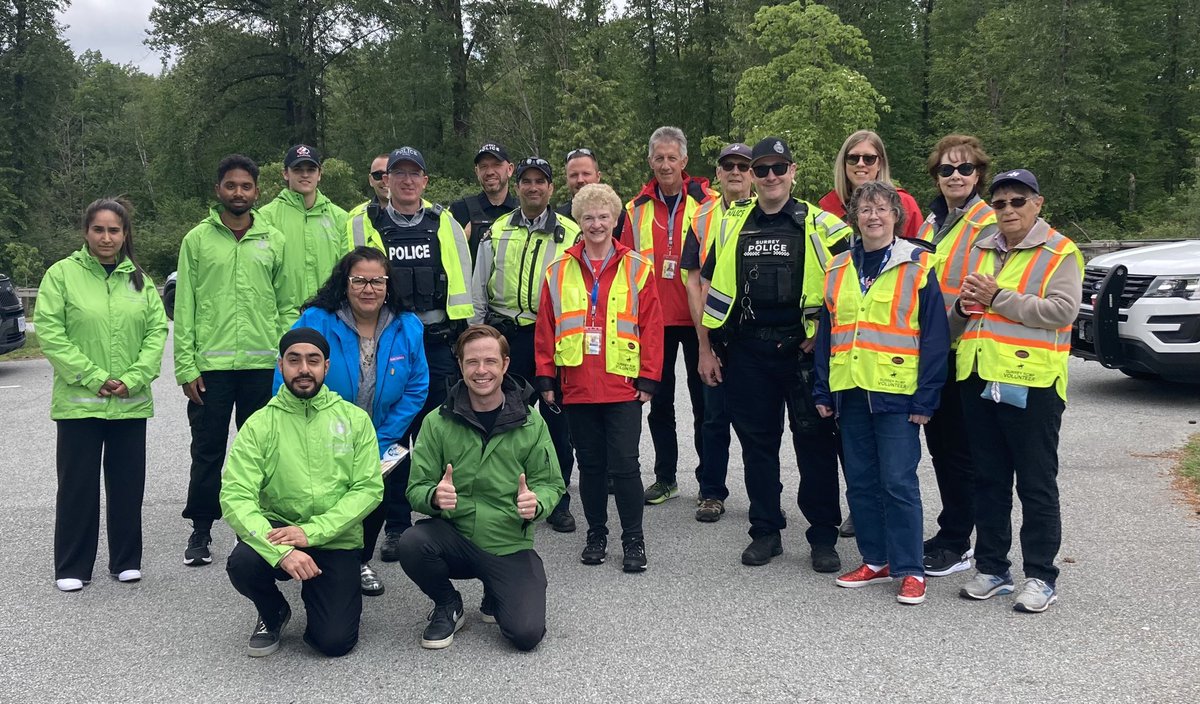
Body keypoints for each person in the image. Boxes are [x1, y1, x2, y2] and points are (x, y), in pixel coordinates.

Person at [700, 137, 849, 572]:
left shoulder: (820, 223)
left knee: (815, 446)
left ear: (793, 171)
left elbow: (851, 284)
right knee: (757, 447)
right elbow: (709, 283)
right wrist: (708, 347)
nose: (769, 177)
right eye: (760, 170)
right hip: (748, 350)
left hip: (801, 353)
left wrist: (822, 331)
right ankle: (765, 532)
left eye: (777, 168)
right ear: (750, 175)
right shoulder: (732, 223)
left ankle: (823, 537)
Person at [813, 181, 949, 606]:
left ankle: (910, 568)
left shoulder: (917, 264)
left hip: (897, 395)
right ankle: (876, 559)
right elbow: (826, 334)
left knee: (898, 482)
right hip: (850, 392)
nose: (873, 216)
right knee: (861, 482)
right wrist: (823, 388)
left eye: (881, 209)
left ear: (896, 216)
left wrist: (927, 398)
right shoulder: (837, 268)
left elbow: (934, 336)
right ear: (854, 217)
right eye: (865, 209)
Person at [955, 169, 1082, 613]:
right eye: (1000, 203)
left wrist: (997, 297)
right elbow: (969, 309)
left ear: (1037, 204)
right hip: (979, 378)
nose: (1008, 209)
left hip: (1032, 384)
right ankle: (992, 568)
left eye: (1018, 201)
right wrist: (962, 306)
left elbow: (1062, 311)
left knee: (1035, 483)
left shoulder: (1060, 251)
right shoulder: (983, 247)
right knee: (988, 479)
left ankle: (1041, 576)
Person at [398, 325, 566, 651]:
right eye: (472, 362)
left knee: (526, 634)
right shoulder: (437, 421)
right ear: (460, 365)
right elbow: (415, 488)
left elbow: (551, 483)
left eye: (490, 361)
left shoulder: (531, 422)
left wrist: (538, 503)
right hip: (455, 537)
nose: (481, 370)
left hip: (508, 542)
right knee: (412, 542)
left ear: (505, 364)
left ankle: (496, 592)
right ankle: (448, 604)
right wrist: (434, 496)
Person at [276, 247, 429, 597]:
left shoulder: (408, 326)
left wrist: (380, 438)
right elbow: (286, 373)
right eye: (359, 280)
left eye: (377, 280)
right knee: (323, 492)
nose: (368, 288)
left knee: (372, 496)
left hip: (381, 432)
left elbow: (417, 386)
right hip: (321, 429)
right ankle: (311, 553)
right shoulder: (317, 320)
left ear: (388, 285)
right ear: (344, 284)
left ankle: (359, 560)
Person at [345, 146, 473, 561]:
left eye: (413, 174)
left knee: (441, 433)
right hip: (389, 341)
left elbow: (463, 282)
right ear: (386, 180)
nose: (405, 181)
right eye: (397, 174)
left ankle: (441, 517)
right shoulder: (363, 223)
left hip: (438, 342)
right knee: (394, 438)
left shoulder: (445, 223)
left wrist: (465, 338)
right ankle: (396, 526)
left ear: (425, 180)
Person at [222, 328, 383, 657]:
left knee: (334, 642)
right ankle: (273, 611)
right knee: (243, 563)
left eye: (313, 361)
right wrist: (280, 551)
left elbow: (368, 488)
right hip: (279, 537)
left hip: (335, 538)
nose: (304, 369)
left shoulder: (354, 420)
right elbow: (235, 496)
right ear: (281, 366)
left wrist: (310, 533)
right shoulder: (260, 424)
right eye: (294, 360)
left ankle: (325, 594)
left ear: (326, 366)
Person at [36, 198, 168, 592]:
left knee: (128, 484)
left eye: (114, 230)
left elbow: (156, 332)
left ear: (125, 234)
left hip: (130, 401)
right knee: (77, 486)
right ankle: (73, 566)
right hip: (79, 404)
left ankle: (126, 560)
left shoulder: (138, 280)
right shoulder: (62, 275)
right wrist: (93, 377)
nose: (106, 237)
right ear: (86, 232)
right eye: (99, 230)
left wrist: (135, 377)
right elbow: (51, 332)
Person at [535, 183, 663, 572]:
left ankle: (633, 540)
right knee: (590, 466)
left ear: (615, 219)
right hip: (576, 385)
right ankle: (596, 534)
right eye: (588, 217)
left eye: (603, 216)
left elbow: (651, 326)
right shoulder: (557, 270)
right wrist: (546, 379)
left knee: (624, 465)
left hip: (622, 384)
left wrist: (649, 378)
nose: (596, 223)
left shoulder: (638, 267)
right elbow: (546, 328)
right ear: (579, 220)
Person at [176, 155, 294, 567]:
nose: (238, 193)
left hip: (263, 367)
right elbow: (185, 306)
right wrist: (185, 367)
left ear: (257, 191)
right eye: (231, 186)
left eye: (246, 186)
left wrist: (287, 357)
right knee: (208, 450)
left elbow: (288, 305)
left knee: (262, 450)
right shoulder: (197, 240)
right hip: (211, 367)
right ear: (218, 190)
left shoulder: (274, 240)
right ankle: (201, 529)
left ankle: (260, 529)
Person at [471, 156, 580, 533]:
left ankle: (558, 500)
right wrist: (479, 336)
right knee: (504, 421)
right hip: (506, 337)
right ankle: (504, 496)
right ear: (517, 186)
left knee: (556, 425)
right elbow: (478, 288)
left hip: (551, 339)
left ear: (551, 188)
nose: (533, 187)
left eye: (540, 181)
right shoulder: (497, 230)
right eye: (526, 181)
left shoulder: (571, 232)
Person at [915, 134, 999, 577]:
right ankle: (952, 531)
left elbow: (975, 296)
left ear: (978, 174)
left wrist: (935, 336)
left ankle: (959, 541)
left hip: (964, 352)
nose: (955, 176)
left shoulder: (987, 223)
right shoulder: (933, 223)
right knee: (943, 450)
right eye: (946, 169)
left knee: (962, 453)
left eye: (964, 169)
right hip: (937, 354)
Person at [620, 126, 715, 506]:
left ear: (685, 162)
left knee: (703, 403)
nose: (664, 165)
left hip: (697, 318)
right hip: (654, 320)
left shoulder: (707, 203)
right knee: (659, 404)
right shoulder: (635, 208)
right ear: (650, 162)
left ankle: (710, 482)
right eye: (658, 158)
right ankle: (665, 477)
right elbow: (625, 268)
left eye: (671, 158)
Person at [680, 143, 753, 522]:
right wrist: (703, 346)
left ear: (754, 173)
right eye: (729, 166)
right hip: (716, 336)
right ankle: (711, 492)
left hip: (758, 335)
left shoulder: (768, 213)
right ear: (719, 172)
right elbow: (693, 283)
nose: (736, 171)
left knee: (758, 422)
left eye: (744, 165)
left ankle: (763, 497)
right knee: (713, 418)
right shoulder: (702, 217)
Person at [258, 144, 350, 325]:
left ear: (319, 174)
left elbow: (348, 273)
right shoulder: (265, 217)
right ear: (286, 173)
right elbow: (260, 277)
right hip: (283, 324)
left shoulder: (341, 218)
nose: (305, 174)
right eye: (298, 169)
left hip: (331, 319)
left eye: (311, 169)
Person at [818, 130, 923, 239]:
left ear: (880, 164)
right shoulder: (828, 209)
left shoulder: (904, 203)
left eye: (869, 159)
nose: (860, 164)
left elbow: (919, 251)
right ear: (844, 163)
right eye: (853, 158)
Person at [449, 143, 518, 258]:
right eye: (483, 166)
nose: (490, 172)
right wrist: (461, 241)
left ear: (510, 169)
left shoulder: (523, 212)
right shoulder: (459, 211)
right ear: (477, 172)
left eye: (496, 165)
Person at [555, 148, 626, 234]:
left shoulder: (620, 217)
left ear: (598, 176)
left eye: (586, 174)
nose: (580, 180)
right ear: (567, 179)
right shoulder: (557, 219)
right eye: (574, 175)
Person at [347, 153, 391, 220]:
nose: (385, 180)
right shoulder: (355, 216)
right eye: (378, 175)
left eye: (390, 174)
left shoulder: (413, 215)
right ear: (370, 180)